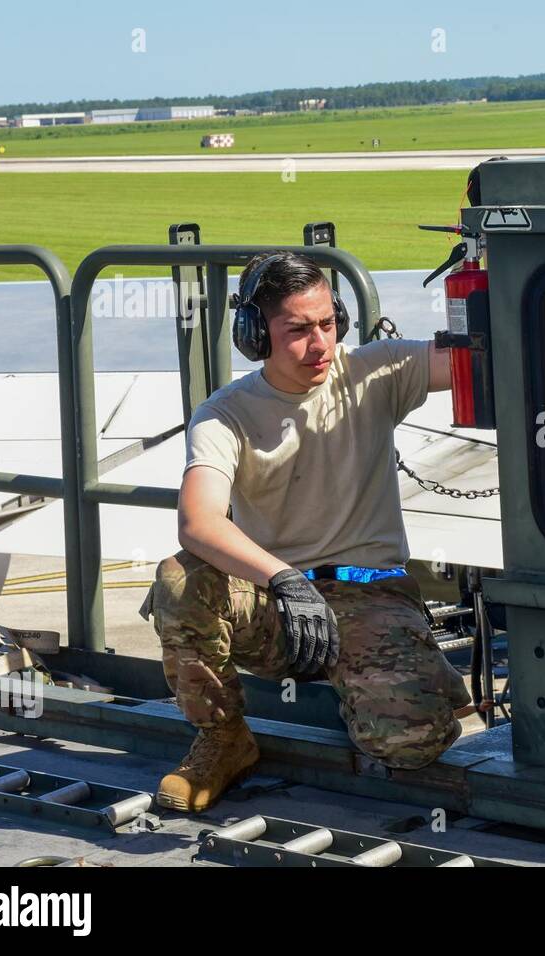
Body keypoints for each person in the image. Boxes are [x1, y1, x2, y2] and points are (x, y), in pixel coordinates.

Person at [142, 251, 471, 813]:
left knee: (409, 743)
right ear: (253, 333)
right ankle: (223, 739)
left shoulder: (374, 372)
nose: (319, 344)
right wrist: (285, 580)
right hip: (277, 604)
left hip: (370, 594)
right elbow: (198, 522)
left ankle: (399, 683)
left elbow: (470, 359)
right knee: (180, 581)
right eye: (297, 330)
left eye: (327, 323)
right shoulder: (227, 414)